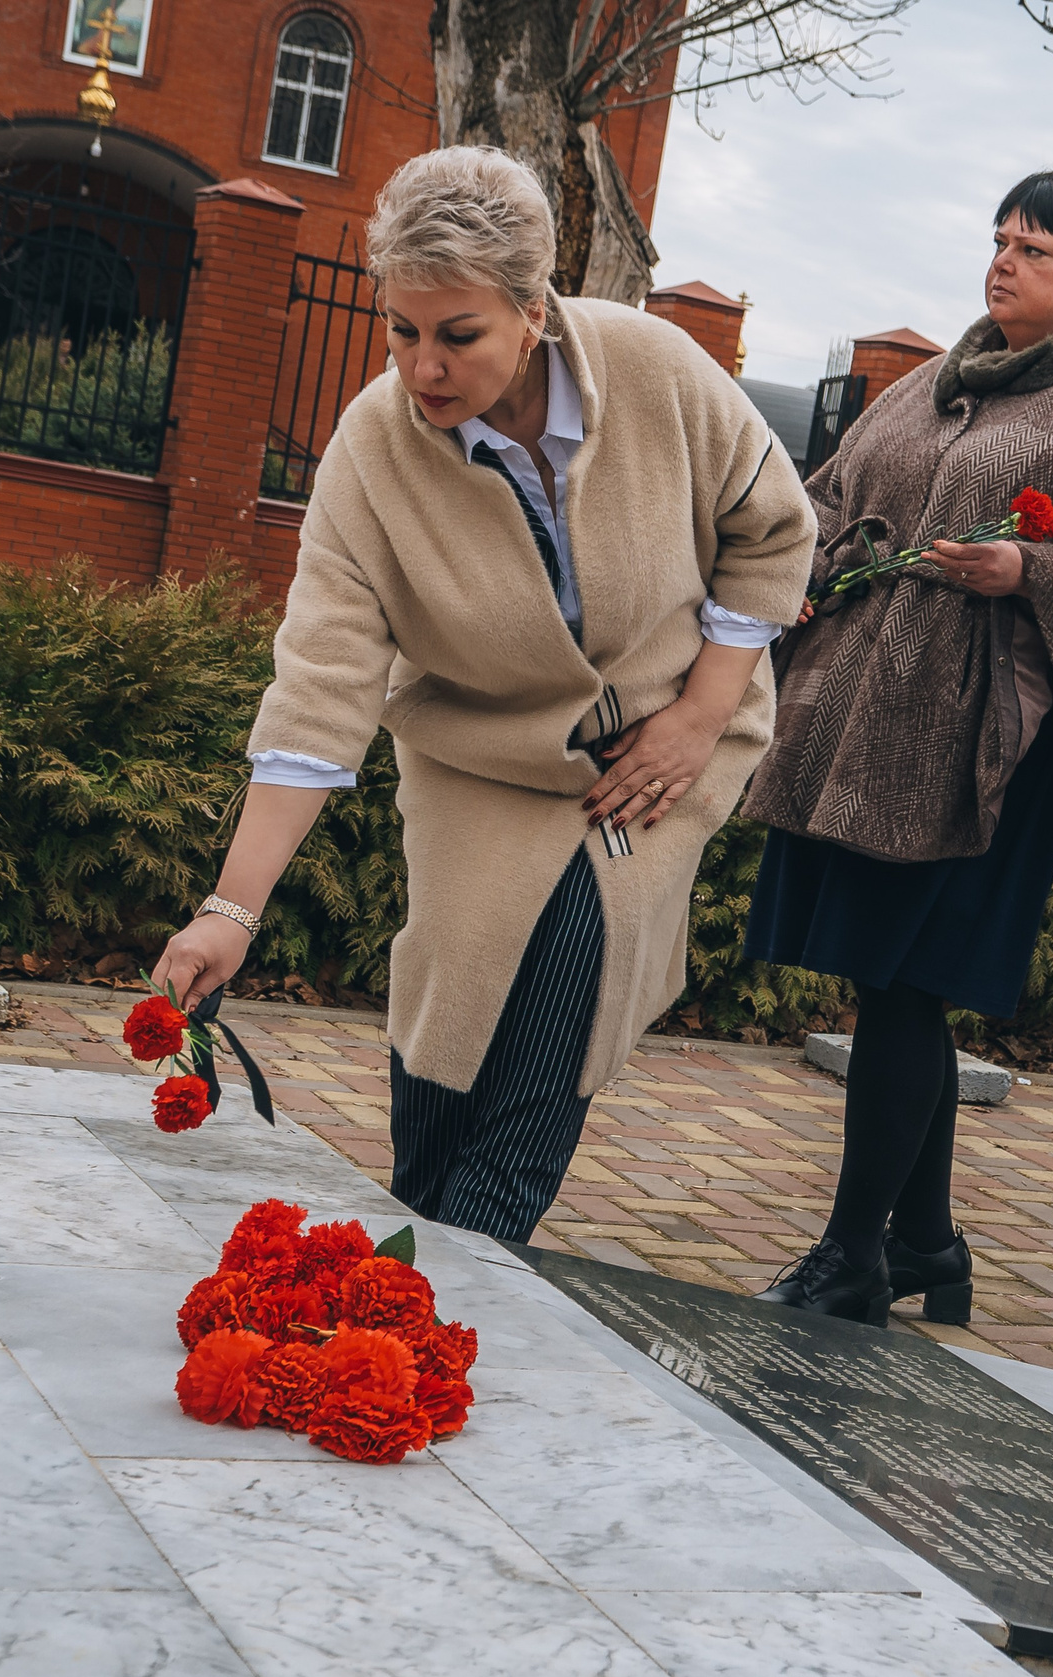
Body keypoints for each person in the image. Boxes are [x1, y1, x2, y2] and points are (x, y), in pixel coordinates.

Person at [149, 147, 813, 1242]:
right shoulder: (369, 452)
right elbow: (322, 684)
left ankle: (442, 1295)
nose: (422, 368)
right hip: (478, 756)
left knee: (559, 997)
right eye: (401, 330)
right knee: (449, 1034)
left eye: (457, 334)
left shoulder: (656, 369)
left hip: (663, 739)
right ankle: (407, 1270)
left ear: (533, 310)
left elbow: (772, 527)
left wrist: (700, 714)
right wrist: (232, 908)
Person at [741, 166, 1053, 1326]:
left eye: (1036, 250)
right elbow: (825, 493)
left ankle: (854, 1256)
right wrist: (804, 574)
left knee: (907, 989)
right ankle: (925, 1243)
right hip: (867, 721)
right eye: (1000, 240)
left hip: (991, 745)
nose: (1003, 262)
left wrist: (1031, 569)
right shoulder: (923, 385)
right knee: (893, 986)